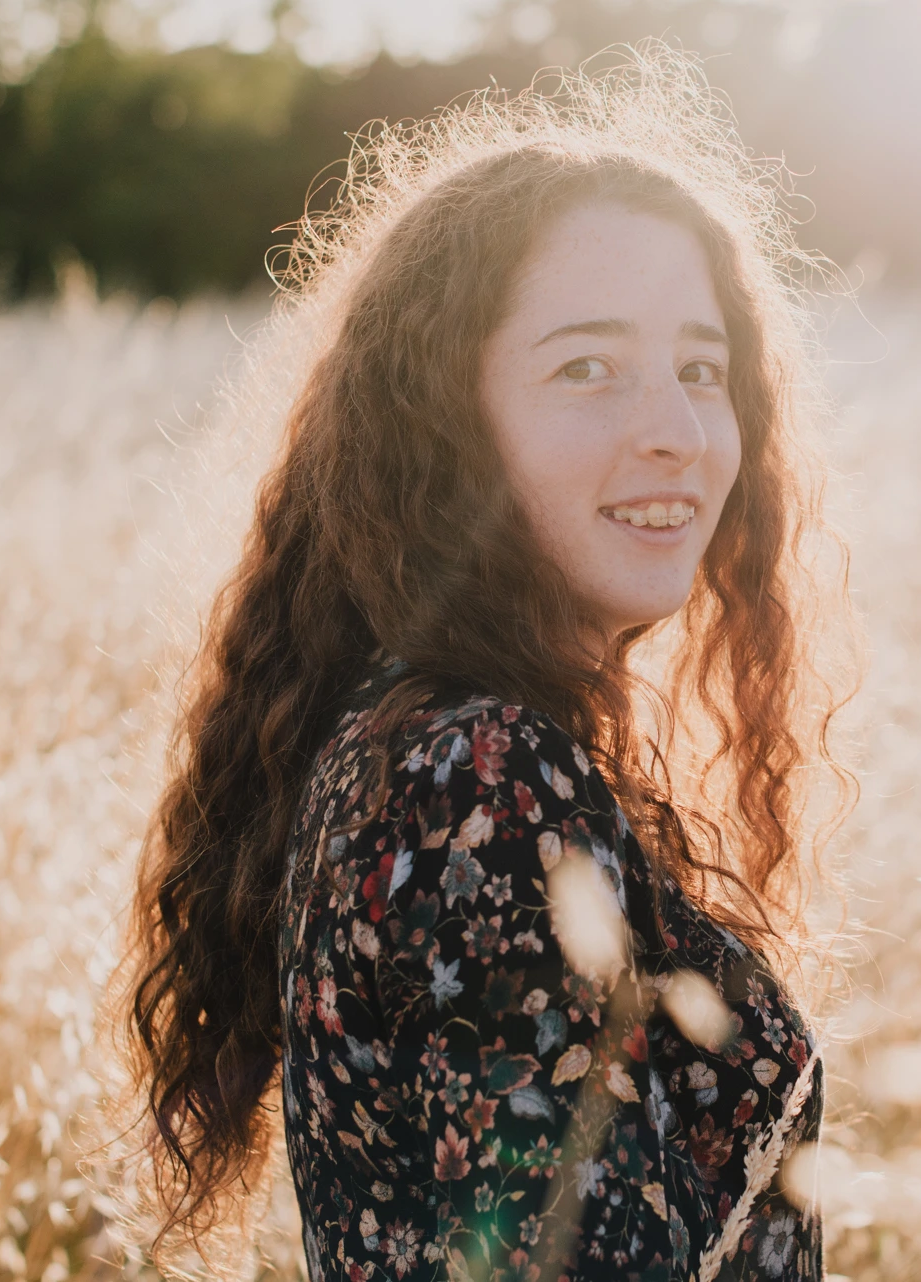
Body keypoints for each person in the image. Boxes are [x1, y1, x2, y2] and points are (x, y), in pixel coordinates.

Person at [117, 49, 854, 1282]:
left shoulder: (430, 742)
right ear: (445, 430)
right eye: (587, 367)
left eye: (701, 367)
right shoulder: (478, 776)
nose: (674, 428)